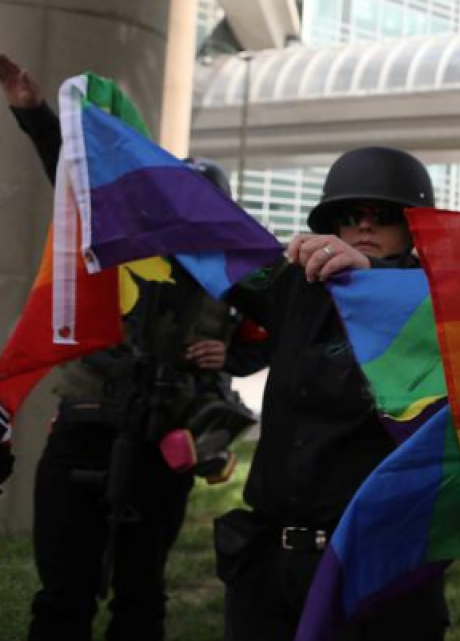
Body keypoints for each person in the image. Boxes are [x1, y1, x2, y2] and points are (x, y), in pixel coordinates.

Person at [0, 54, 268, 641]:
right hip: (82, 435)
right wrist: (34, 113)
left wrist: (233, 358)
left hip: (161, 446)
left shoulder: (230, 276)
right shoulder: (119, 244)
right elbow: (75, 176)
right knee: (62, 596)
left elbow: (280, 327)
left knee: (140, 596)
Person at [214, 146, 450, 641]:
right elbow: (192, 230)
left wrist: (377, 278)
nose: (364, 226)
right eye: (349, 215)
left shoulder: (439, 309)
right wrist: (61, 136)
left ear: (412, 229)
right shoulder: (296, 290)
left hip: (375, 571)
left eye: (382, 216)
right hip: (269, 569)